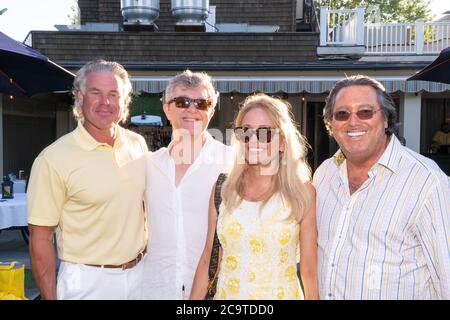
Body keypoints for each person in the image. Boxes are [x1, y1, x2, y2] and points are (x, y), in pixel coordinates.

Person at [313, 75, 450, 300]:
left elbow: (446, 274)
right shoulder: (324, 175)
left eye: (365, 112)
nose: (353, 122)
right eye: (342, 114)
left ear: (386, 119)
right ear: (331, 124)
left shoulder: (427, 181)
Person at [27, 60, 148, 300]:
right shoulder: (53, 159)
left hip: (141, 276)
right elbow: (40, 239)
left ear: (124, 102)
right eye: (96, 93)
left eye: (114, 94)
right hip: (87, 283)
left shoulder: (137, 144)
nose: (105, 102)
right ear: (80, 97)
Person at [190, 93, 319, 300]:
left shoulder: (302, 193)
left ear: (282, 143)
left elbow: (309, 272)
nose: (253, 140)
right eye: (246, 132)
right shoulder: (223, 188)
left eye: (265, 133)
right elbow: (208, 261)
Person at [142, 70, 234, 299]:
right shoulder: (148, 165)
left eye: (201, 103)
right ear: (167, 109)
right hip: (154, 288)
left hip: (215, 290)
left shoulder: (231, 162)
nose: (192, 109)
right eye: (182, 102)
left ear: (211, 112)